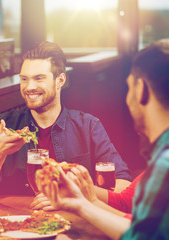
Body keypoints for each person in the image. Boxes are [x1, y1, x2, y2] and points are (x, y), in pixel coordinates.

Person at [42, 39, 169, 240]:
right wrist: (82, 203)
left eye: (129, 89)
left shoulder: (164, 165)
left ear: (141, 90)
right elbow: (138, 226)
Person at [0, 41, 132, 199]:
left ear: (60, 80)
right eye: (24, 79)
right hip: (18, 221)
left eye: (39, 78)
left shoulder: (89, 126)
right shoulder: (5, 125)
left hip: (73, 221)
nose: (29, 87)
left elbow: (124, 185)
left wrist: (72, 196)